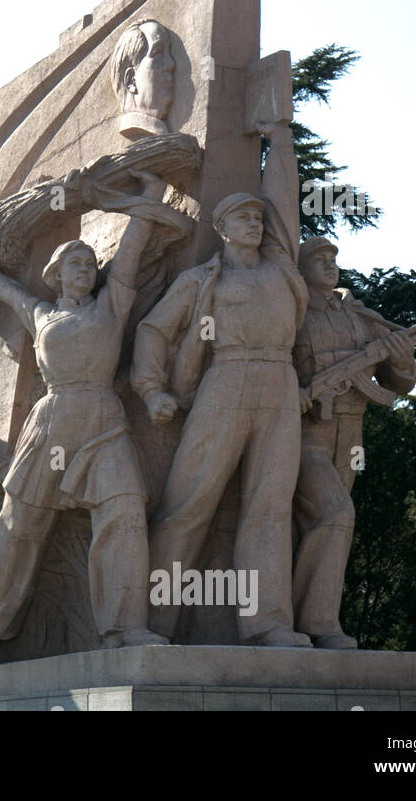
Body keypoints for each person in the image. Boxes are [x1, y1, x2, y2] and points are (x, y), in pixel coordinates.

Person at [0, 168, 174, 668]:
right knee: (18, 526)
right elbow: (5, 291)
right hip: (51, 419)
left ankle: (125, 629)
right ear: (56, 275)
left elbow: (136, 241)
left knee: (124, 514)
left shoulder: (113, 304)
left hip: (103, 418)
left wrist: (150, 186)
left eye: (89, 262)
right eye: (74, 262)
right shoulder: (40, 314)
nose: (84, 268)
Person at [130, 121, 312, 646]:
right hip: (225, 380)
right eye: (243, 219)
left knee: (270, 507)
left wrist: (279, 141)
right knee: (189, 504)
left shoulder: (282, 270)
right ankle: (150, 621)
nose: (256, 224)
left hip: (279, 380)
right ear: (223, 228)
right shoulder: (201, 280)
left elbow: (284, 207)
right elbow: (152, 330)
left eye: (258, 218)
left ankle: (269, 624)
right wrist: (151, 389)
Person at [291, 237, 416, 649]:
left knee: (324, 527)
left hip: (352, 434)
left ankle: (297, 621)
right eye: (319, 260)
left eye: (333, 259)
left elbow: (398, 382)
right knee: (335, 514)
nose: (329, 266)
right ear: (300, 267)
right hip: (305, 433)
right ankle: (317, 624)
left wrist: (400, 359)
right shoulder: (291, 311)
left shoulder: (360, 315)